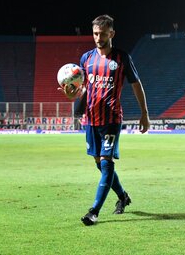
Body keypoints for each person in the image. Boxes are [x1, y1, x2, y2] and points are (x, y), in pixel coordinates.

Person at [60, 14, 150, 226]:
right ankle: (123, 196)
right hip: (91, 120)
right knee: (99, 165)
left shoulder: (122, 59)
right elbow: (81, 90)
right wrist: (71, 94)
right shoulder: (86, 59)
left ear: (112, 33)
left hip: (111, 119)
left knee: (106, 165)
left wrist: (144, 113)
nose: (98, 38)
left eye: (102, 34)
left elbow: (136, 84)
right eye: (95, 34)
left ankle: (94, 211)